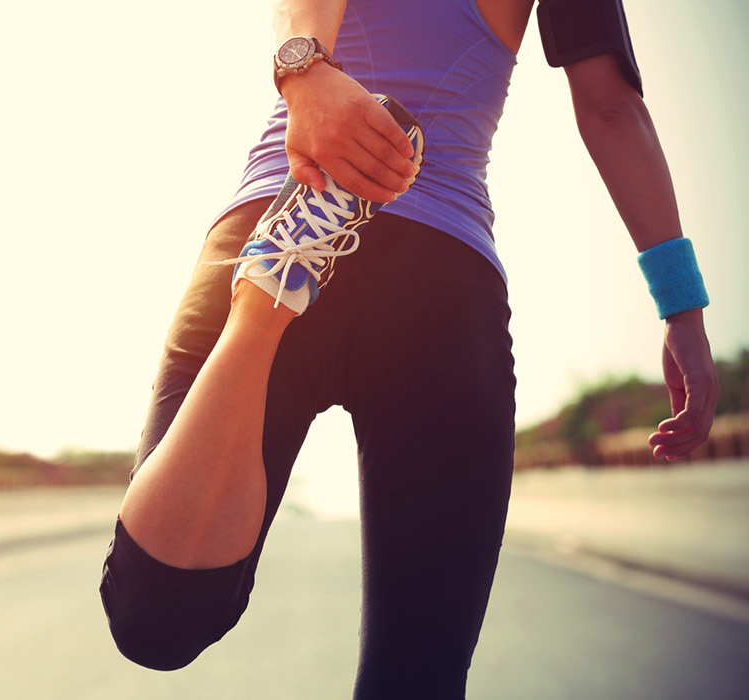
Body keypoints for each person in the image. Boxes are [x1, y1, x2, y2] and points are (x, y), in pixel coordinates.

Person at [98, 0, 720, 697]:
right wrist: (682, 308)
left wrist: (304, 73)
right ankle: (265, 303)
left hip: (292, 204)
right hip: (441, 281)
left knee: (154, 619)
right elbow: (608, 107)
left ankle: (264, 304)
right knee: (417, 676)